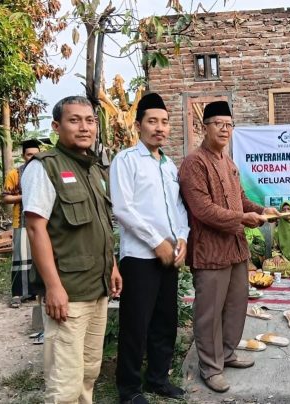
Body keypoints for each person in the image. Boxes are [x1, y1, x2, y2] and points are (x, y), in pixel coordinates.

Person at [22, 95, 122, 404]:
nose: (84, 127)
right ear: (56, 126)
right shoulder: (45, 168)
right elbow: (35, 229)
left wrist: (113, 266)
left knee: (89, 372)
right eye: (74, 120)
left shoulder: (94, 170)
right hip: (69, 292)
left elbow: (101, 225)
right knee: (64, 383)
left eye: (90, 120)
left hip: (98, 288)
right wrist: (53, 287)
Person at [178, 101, 279, 394]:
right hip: (210, 251)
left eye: (229, 124)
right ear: (204, 127)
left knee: (236, 305)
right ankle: (210, 368)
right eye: (218, 124)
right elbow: (202, 209)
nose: (225, 129)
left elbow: (241, 200)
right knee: (209, 312)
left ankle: (227, 353)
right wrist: (242, 218)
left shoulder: (229, 162)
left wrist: (262, 210)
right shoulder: (194, 163)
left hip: (235, 247)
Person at [110, 93, 189, 403]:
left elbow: (178, 208)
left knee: (165, 320)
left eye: (164, 122)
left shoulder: (169, 166)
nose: (160, 128)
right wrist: (156, 242)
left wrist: (182, 239)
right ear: (138, 125)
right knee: (136, 324)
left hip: (170, 255)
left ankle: (158, 379)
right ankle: (129, 389)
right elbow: (123, 209)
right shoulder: (126, 160)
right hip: (140, 256)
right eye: (152, 121)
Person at [2, 139, 41, 308]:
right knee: (20, 258)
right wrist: (26, 196)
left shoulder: (45, 172)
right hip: (21, 221)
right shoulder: (15, 174)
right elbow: (5, 198)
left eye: (36, 154)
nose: (33, 157)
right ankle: (17, 294)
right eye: (29, 154)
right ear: (24, 156)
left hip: (42, 222)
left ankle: (34, 291)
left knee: (38, 257)